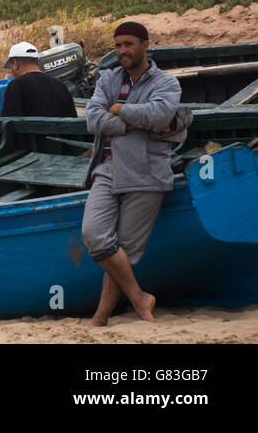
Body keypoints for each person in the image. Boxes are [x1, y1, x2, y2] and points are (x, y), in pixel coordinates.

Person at [80, 21, 182, 326]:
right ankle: (139, 297)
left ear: (145, 45)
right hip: (107, 169)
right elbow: (93, 120)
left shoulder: (166, 82)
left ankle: (100, 317)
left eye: (128, 44)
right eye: (118, 45)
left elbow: (161, 115)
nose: (122, 50)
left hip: (146, 173)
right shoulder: (108, 79)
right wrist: (137, 120)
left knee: (124, 251)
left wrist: (121, 109)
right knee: (94, 235)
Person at [1, 41, 78, 118]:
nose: (11, 71)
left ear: (15, 64)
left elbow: (8, 124)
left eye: (11, 66)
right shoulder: (61, 86)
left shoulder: (15, 86)